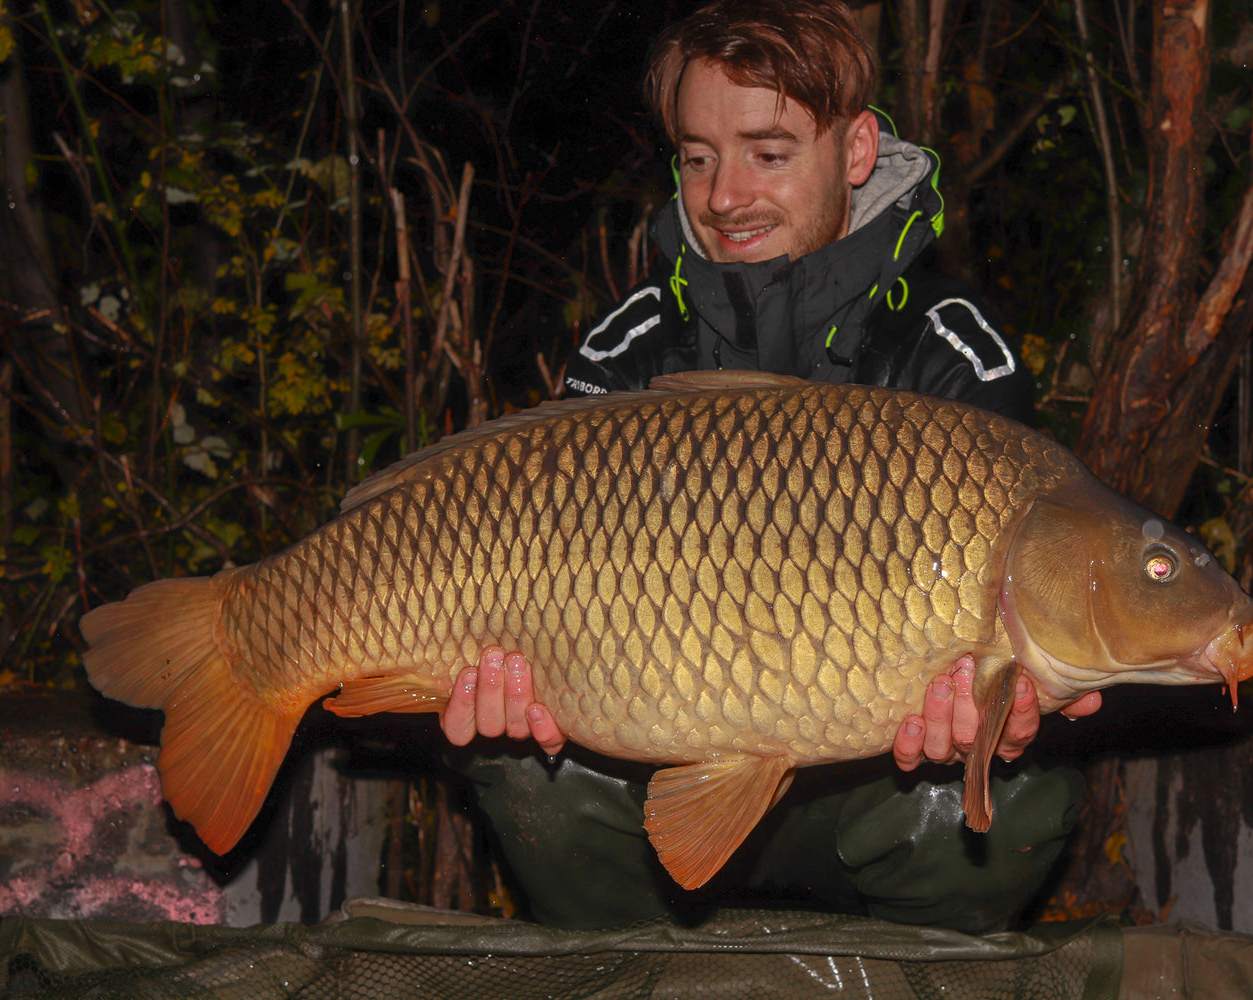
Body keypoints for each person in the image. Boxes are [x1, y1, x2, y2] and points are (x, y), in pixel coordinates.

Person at [438, 0, 1099, 931]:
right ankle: (638, 984)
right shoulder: (629, 347)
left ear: (856, 151)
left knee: (1017, 796)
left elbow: (1014, 608)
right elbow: (526, 557)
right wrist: (508, 682)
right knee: (518, 766)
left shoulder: (950, 352)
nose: (723, 196)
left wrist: (1003, 713)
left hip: (874, 787)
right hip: (653, 765)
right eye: (699, 157)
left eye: (769, 153)